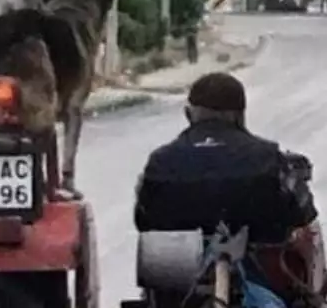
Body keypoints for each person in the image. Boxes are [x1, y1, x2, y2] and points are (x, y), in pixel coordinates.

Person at [134, 70, 317, 242]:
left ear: (188, 114)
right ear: (240, 116)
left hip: (178, 270)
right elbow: (303, 213)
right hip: (263, 270)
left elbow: (144, 221)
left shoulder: (161, 161)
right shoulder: (267, 157)